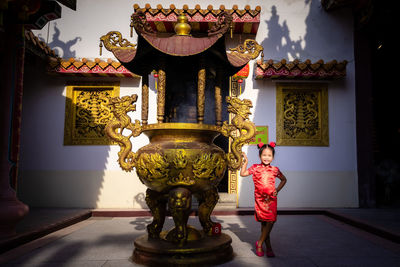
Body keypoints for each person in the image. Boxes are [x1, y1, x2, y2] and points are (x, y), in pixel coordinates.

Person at [240, 142, 287, 257]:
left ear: (273, 157)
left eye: (269, 155)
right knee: (264, 224)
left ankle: (260, 243)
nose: (266, 157)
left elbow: (284, 180)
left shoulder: (275, 170)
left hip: (271, 199)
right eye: (264, 155)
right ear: (260, 156)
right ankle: (269, 247)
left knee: (271, 221)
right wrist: (245, 162)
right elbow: (243, 173)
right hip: (260, 199)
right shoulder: (255, 168)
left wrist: (277, 189)